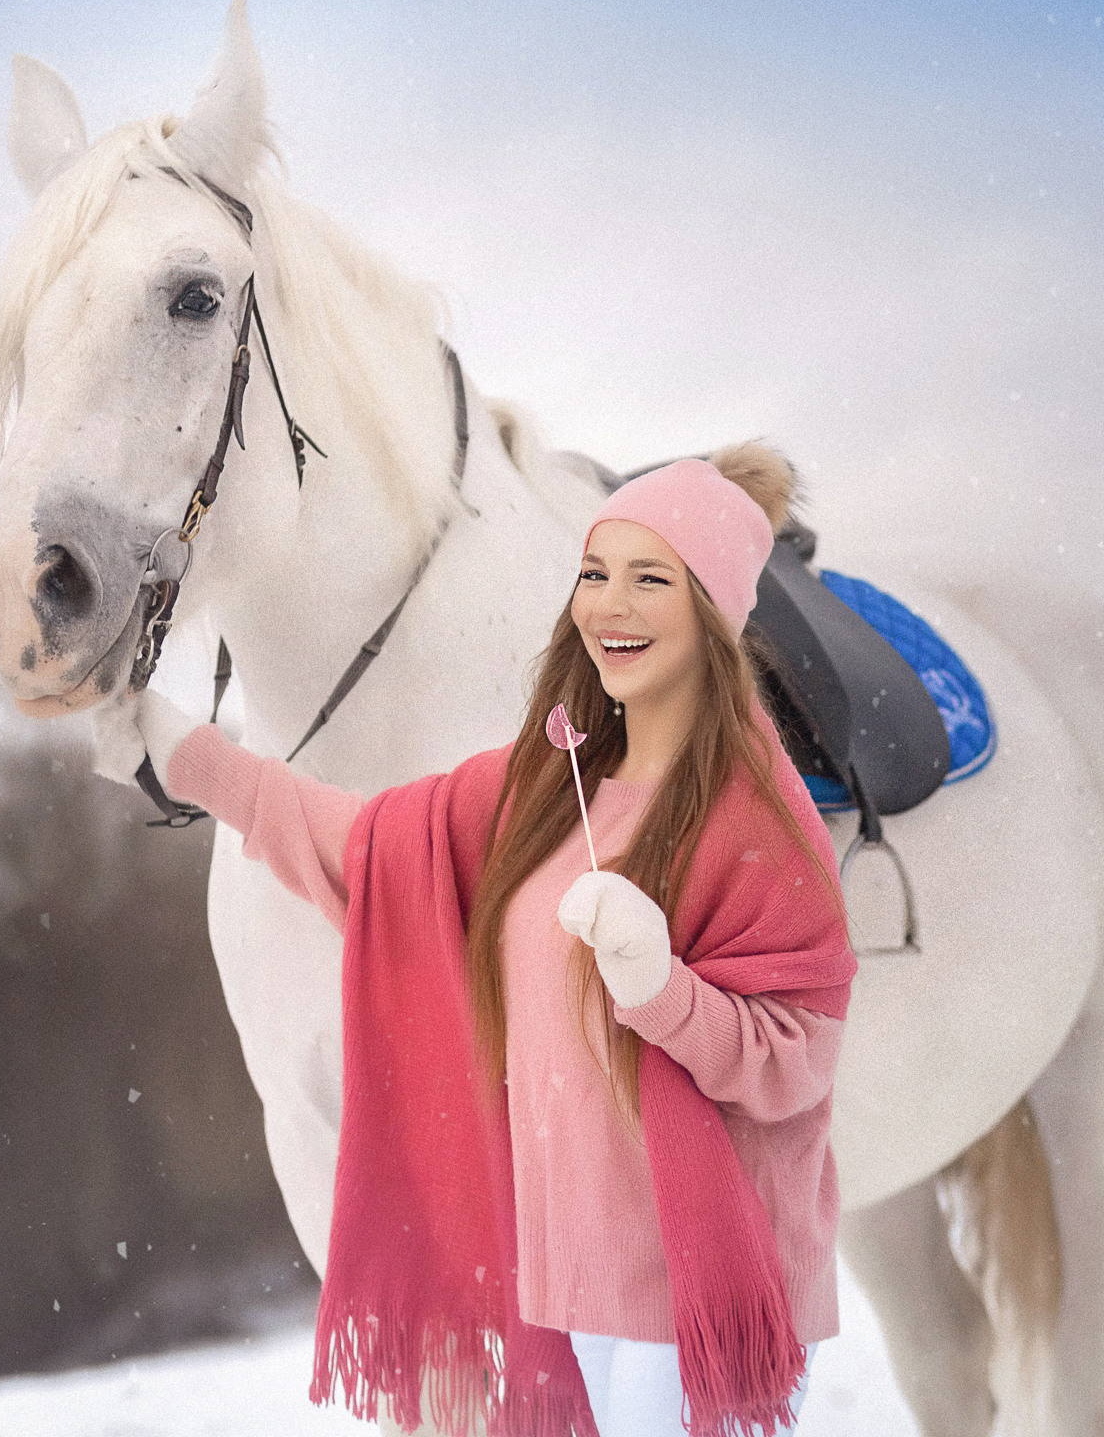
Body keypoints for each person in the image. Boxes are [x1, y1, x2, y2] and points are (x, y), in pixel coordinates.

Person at [102, 442, 856, 1437]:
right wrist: (183, 753)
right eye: (595, 573)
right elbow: (367, 850)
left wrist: (659, 985)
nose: (610, 605)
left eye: (649, 579)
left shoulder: (758, 814)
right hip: (566, 1276)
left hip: (691, 1285)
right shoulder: (546, 784)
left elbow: (793, 1060)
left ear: (712, 614)